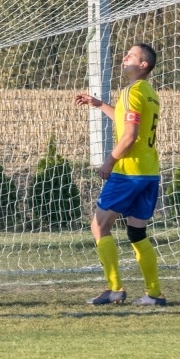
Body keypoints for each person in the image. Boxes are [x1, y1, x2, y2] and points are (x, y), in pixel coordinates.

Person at [75, 43, 165, 306]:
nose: (124, 57)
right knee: (137, 234)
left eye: (131, 55)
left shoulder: (130, 91)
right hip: (149, 173)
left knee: (99, 225)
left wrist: (109, 162)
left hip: (128, 173)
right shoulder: (149, 93)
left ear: (143, 65)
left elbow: (129, 135)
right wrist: (99, 104)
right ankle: (154, 293)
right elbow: (125, 120)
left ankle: (114, 289)